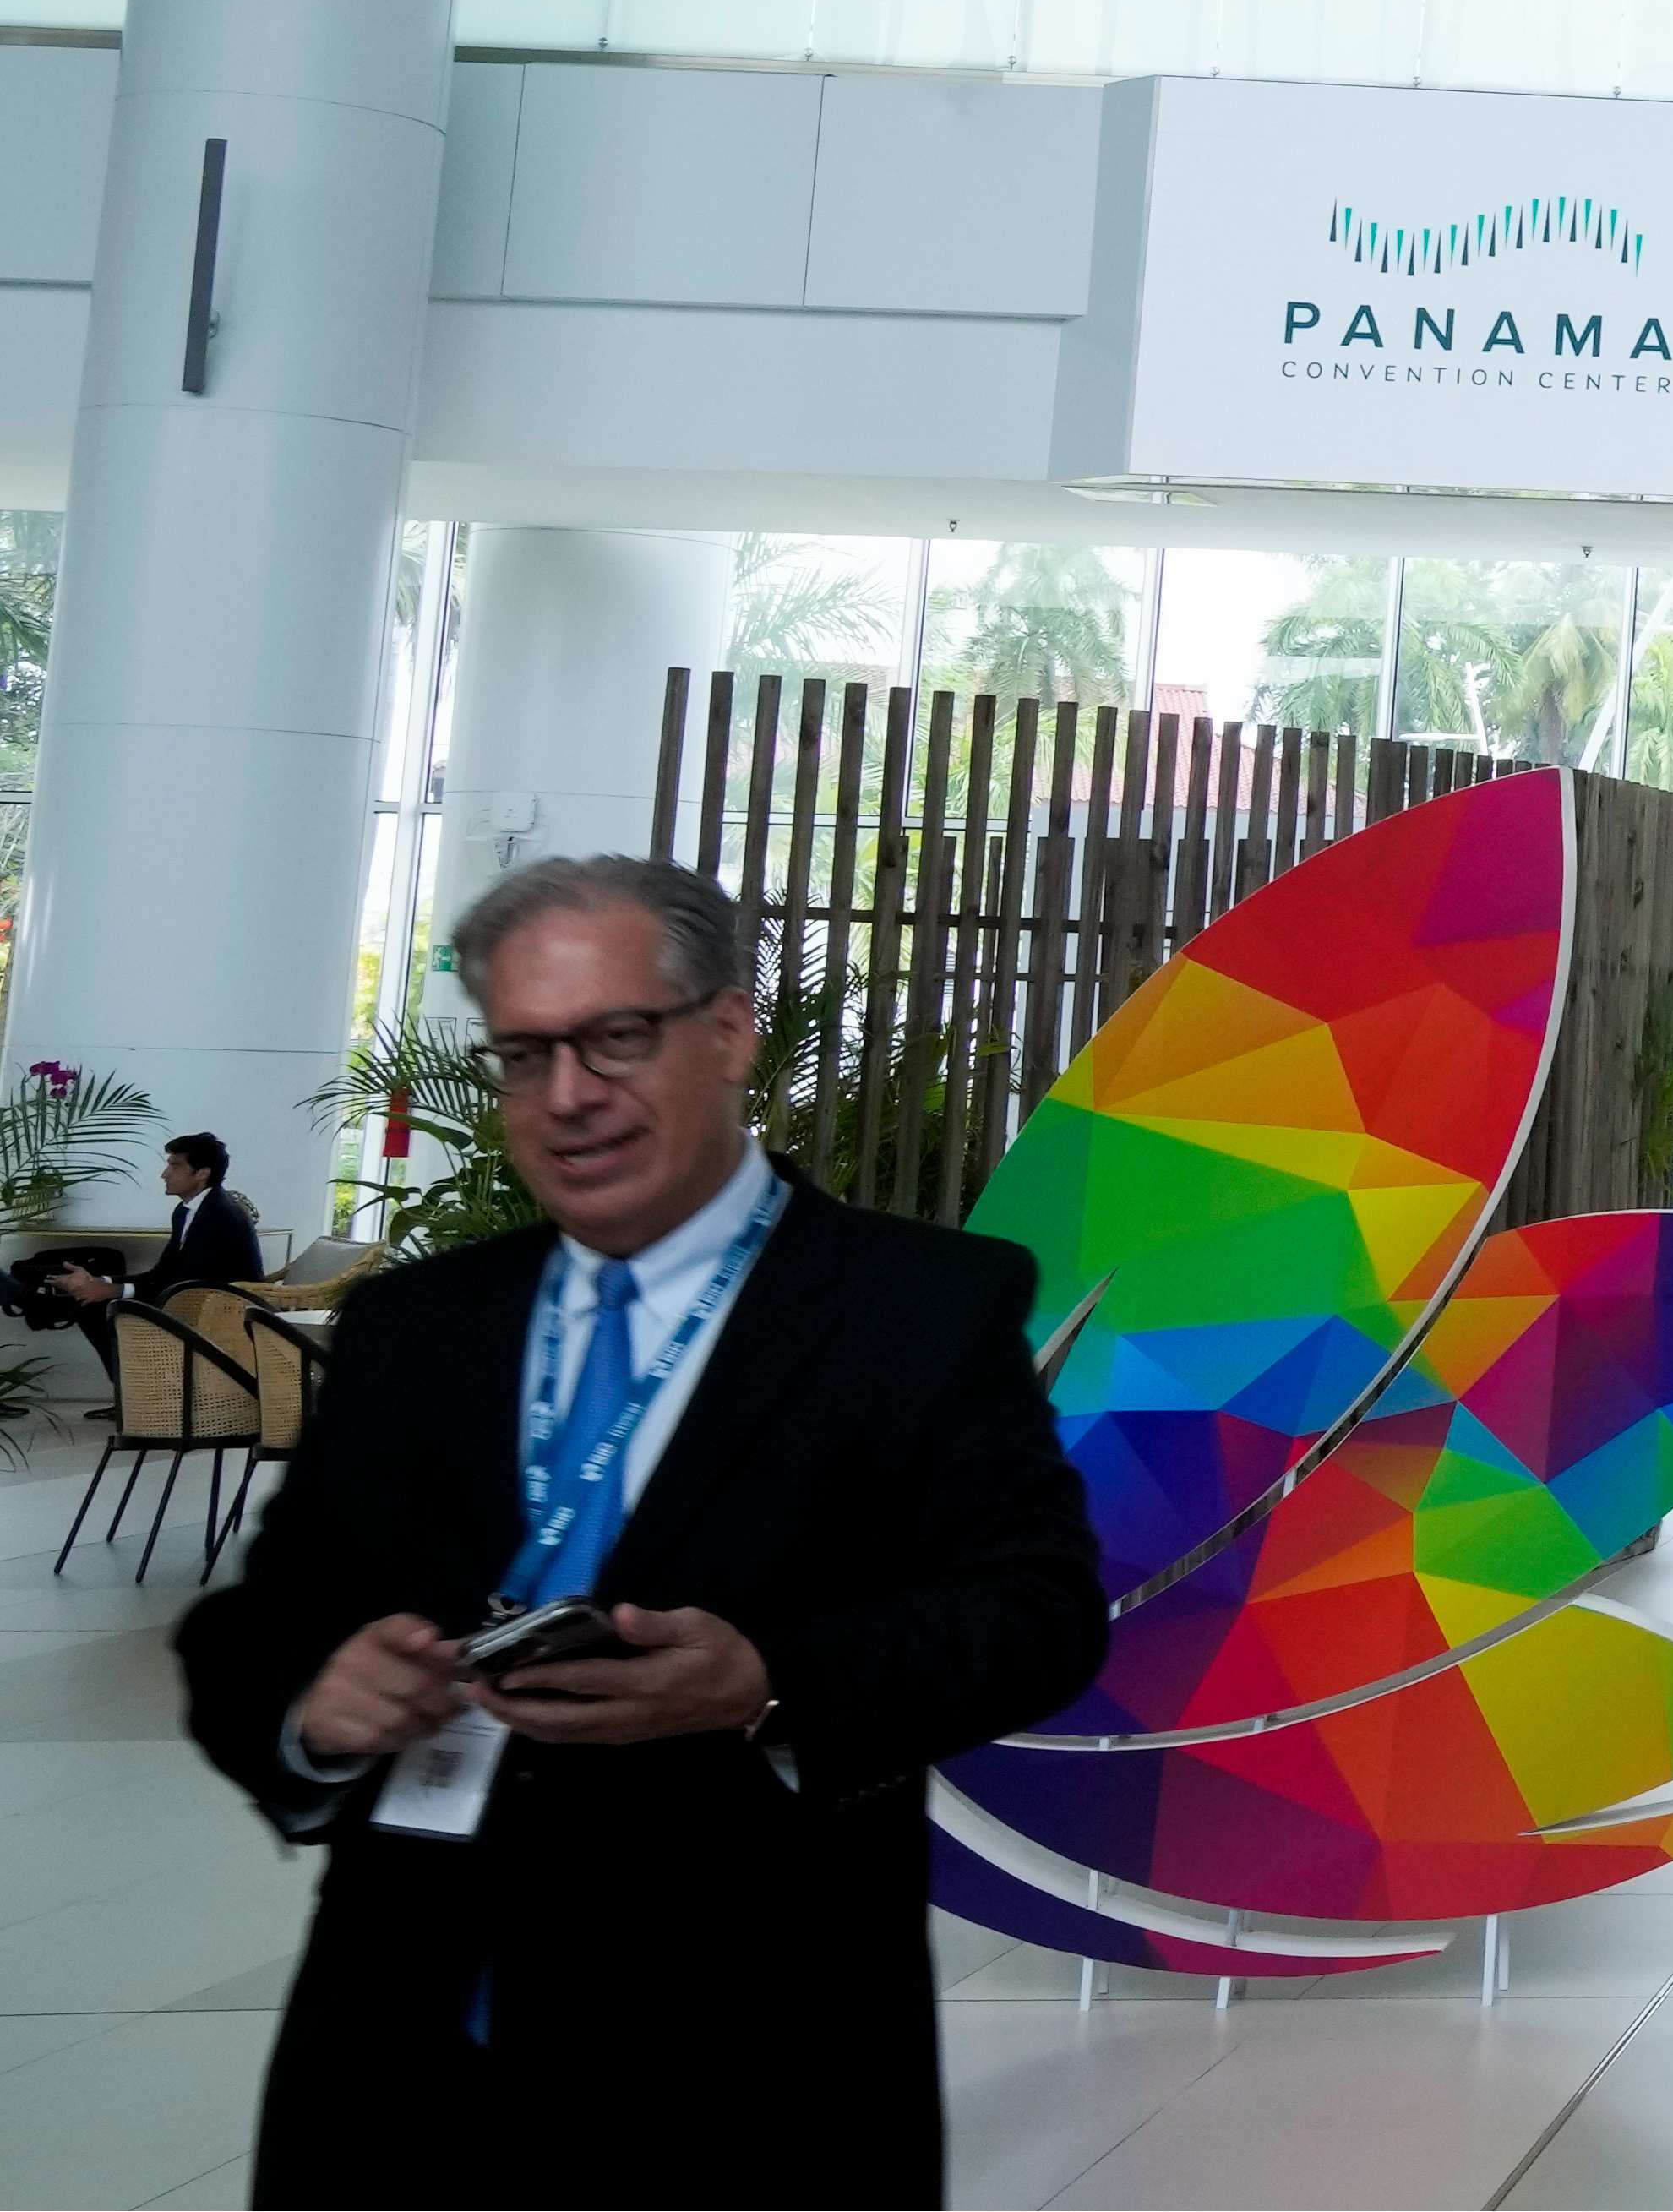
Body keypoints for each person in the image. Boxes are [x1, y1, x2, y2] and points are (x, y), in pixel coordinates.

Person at [175, 858, 1109, 2212]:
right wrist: (318, 1703)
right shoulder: (421, 1323)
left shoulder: (921, 1309)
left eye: (615, 1036)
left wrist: (771, 1679)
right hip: (399, 2055)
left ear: (726, 1033)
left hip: (752, 2064)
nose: (567, 1094)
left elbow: (1036, 1613)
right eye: (524, 1054)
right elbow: (251, 1622)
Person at [39, 1129, 267, 1330]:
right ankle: (130, 1376)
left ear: (202, 1173)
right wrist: (101, 1281)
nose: (164, 1174)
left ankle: (133, 1377)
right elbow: (161, 1274)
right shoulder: (186, 1211)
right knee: (91, 1296)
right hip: (191, 1300)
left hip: (220, 1312)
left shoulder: (220, 1215)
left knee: (97, 1306)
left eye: (175, 1165)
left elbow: (186, 1281)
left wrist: (111, 1291)